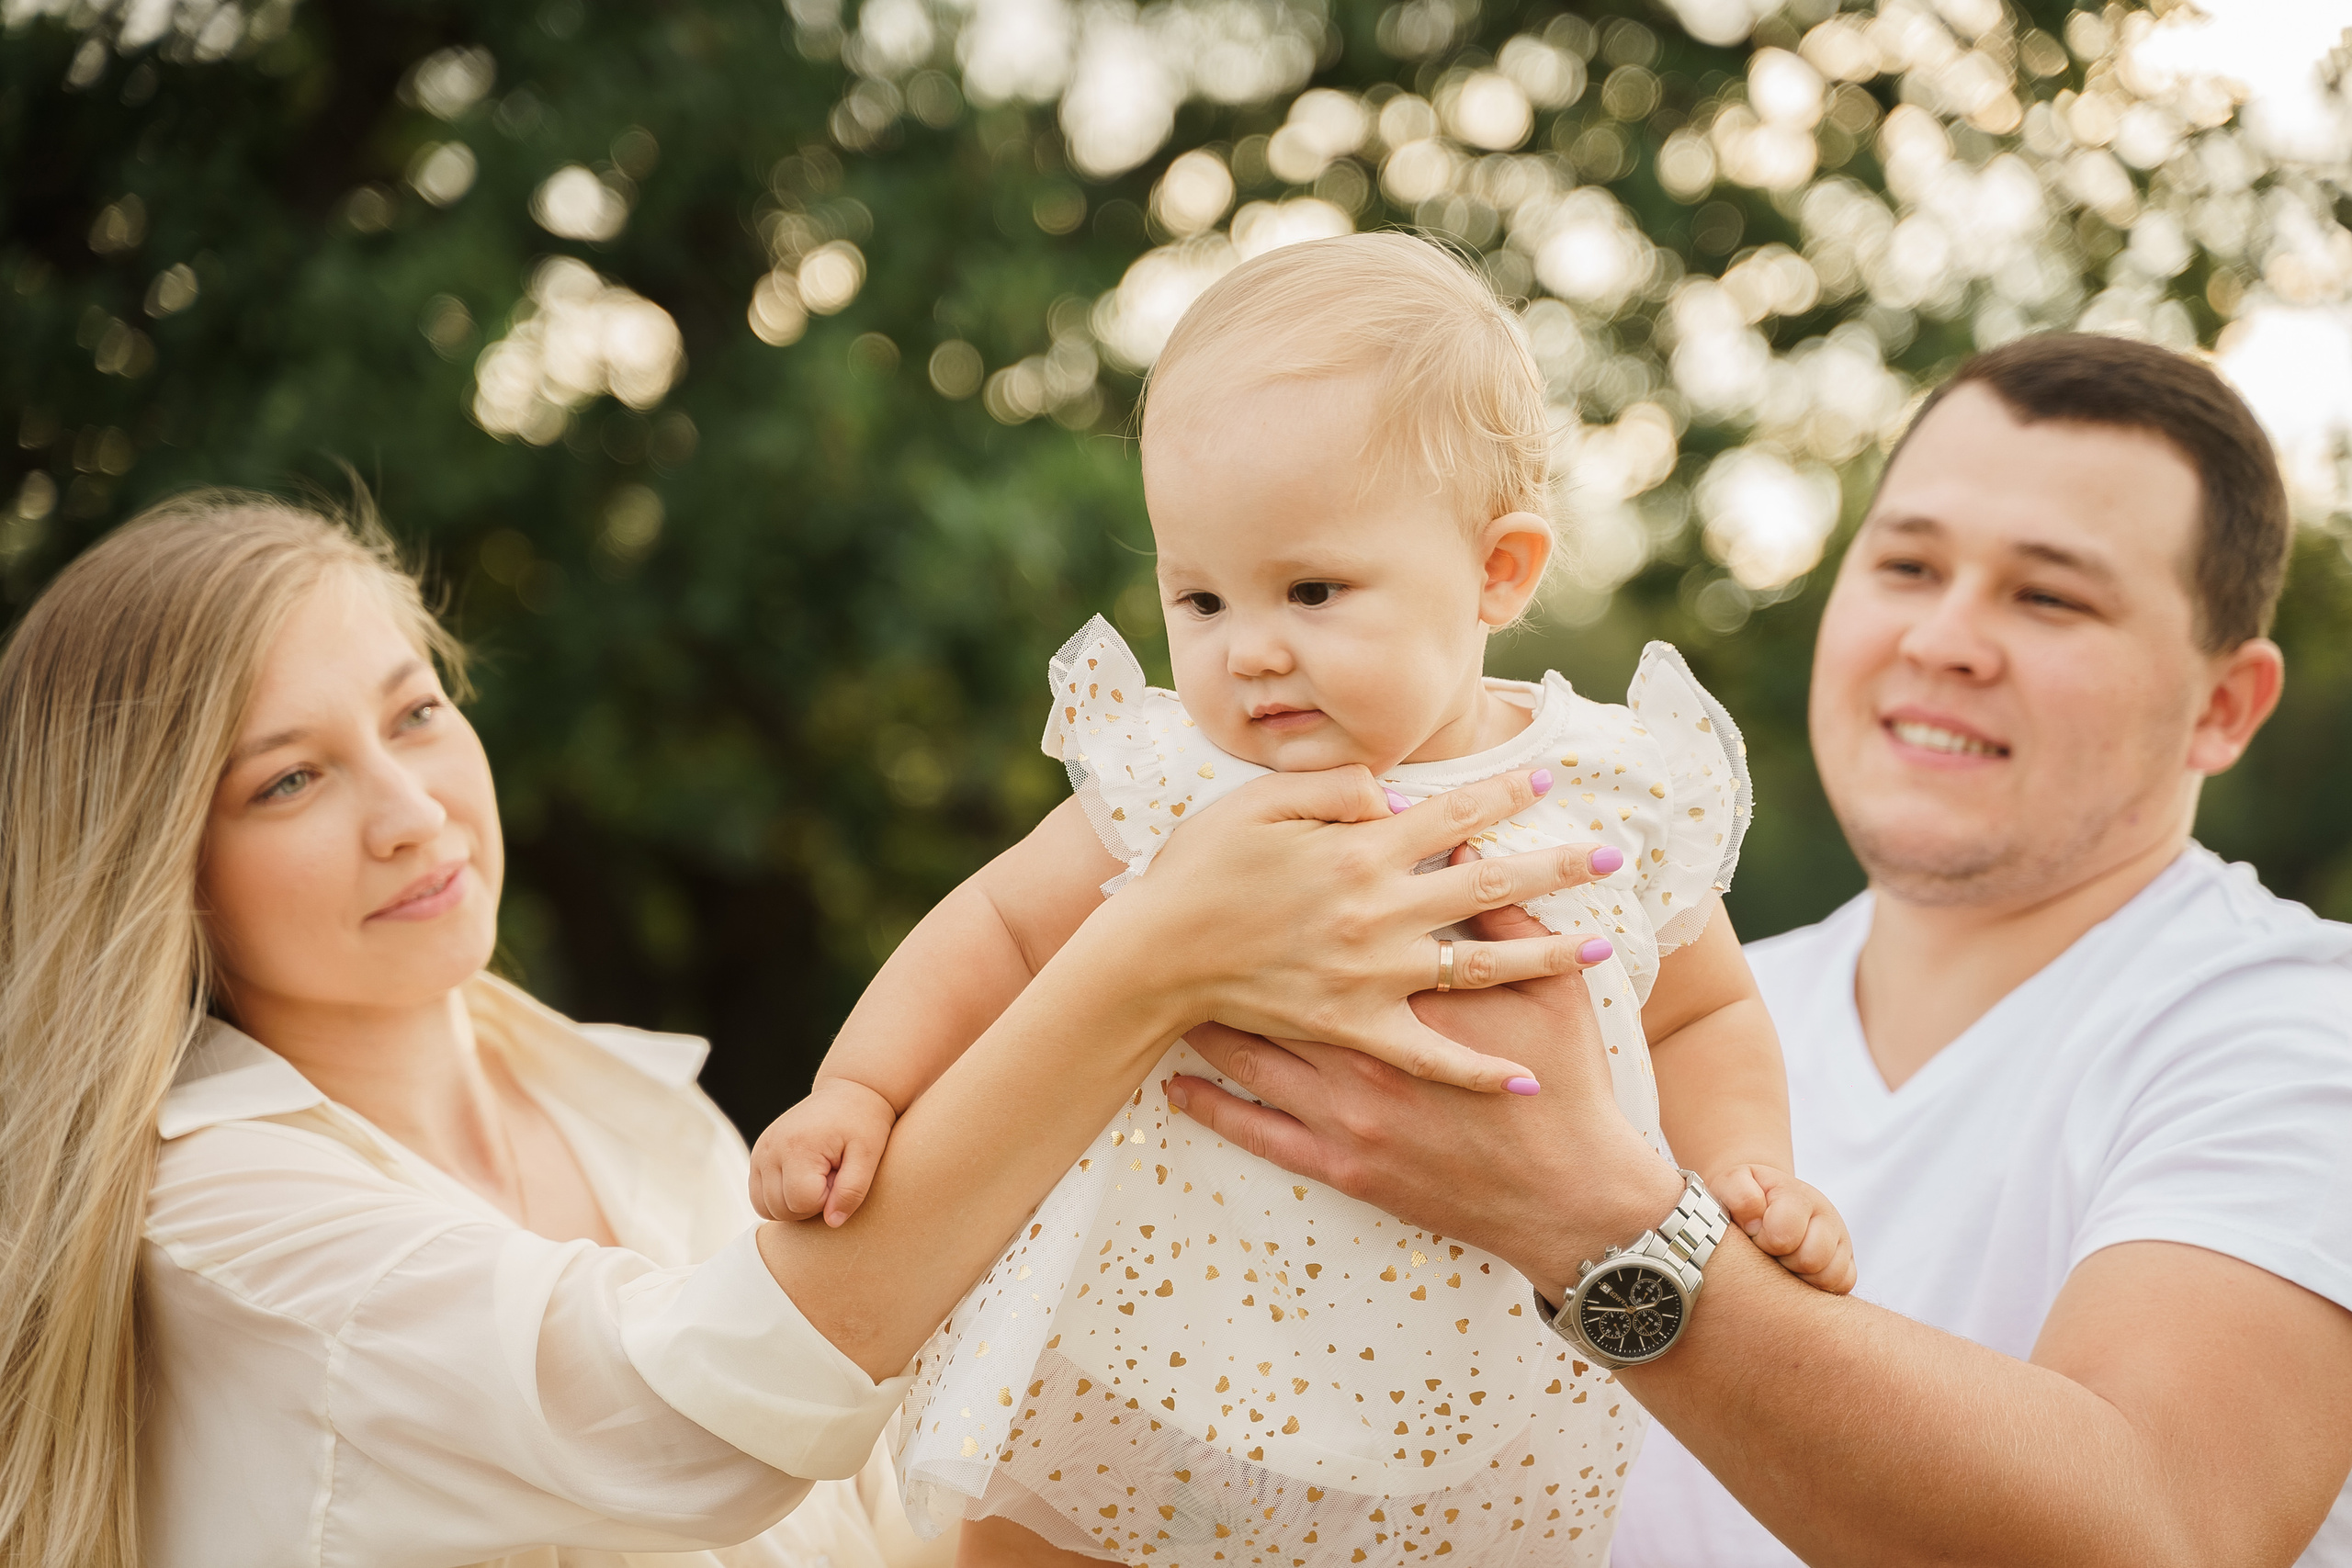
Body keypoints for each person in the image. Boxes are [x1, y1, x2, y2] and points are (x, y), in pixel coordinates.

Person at [0, 492, 1612, 1567]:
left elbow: (866, 1526)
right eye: (290, 778)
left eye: (419, 711)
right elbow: (695, 1428)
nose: (412, 810)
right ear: (160, 872)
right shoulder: (213, 1215)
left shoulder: (635, 1109)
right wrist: (1144, 967)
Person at [748, 233, 1852, 1567]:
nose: (1248, 647)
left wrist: (1747, 1170)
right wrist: (861, 1089)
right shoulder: (1178, 778)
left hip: (1465, 1363)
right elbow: (995, 928)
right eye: (1198, 596)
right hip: (1149, 1317)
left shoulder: (1604, 790)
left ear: (1499, 572)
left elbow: (1703, 1012)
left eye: (1312, 590)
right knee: (1041, 1537)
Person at [1163, 333, 2352, 1564]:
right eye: (1906, 565)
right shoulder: (1673, 1004)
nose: (1943, 639)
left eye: (2048, 595)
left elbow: (2168, 1532)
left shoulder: (2299, 1034)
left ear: (2225, 706)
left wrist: (1590, 1223)